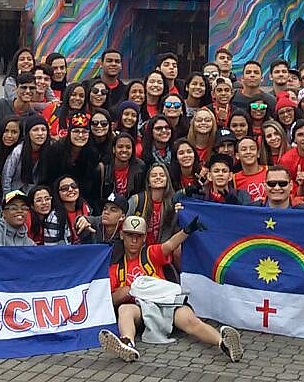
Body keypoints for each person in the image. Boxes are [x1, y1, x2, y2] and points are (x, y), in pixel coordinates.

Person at [98, 216, 242, 363]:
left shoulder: (150, 253)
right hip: (141, 309)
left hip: (167, 302)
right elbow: (110, 301)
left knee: (190, 321)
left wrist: (186, 231)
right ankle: (127, 344)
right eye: (130, 235)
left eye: (138, 236)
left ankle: (224, 343)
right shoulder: (116, 268)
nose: (134, 241)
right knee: (124, 309)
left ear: (144, 238)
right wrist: (126, 291)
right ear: (122, 235)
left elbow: (170, 244)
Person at [103, 132, 146, 199]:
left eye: (128, 147)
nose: (124, 150)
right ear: (114, 149)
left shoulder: (140, 167)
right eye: (120, 147)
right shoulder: (104, 168)